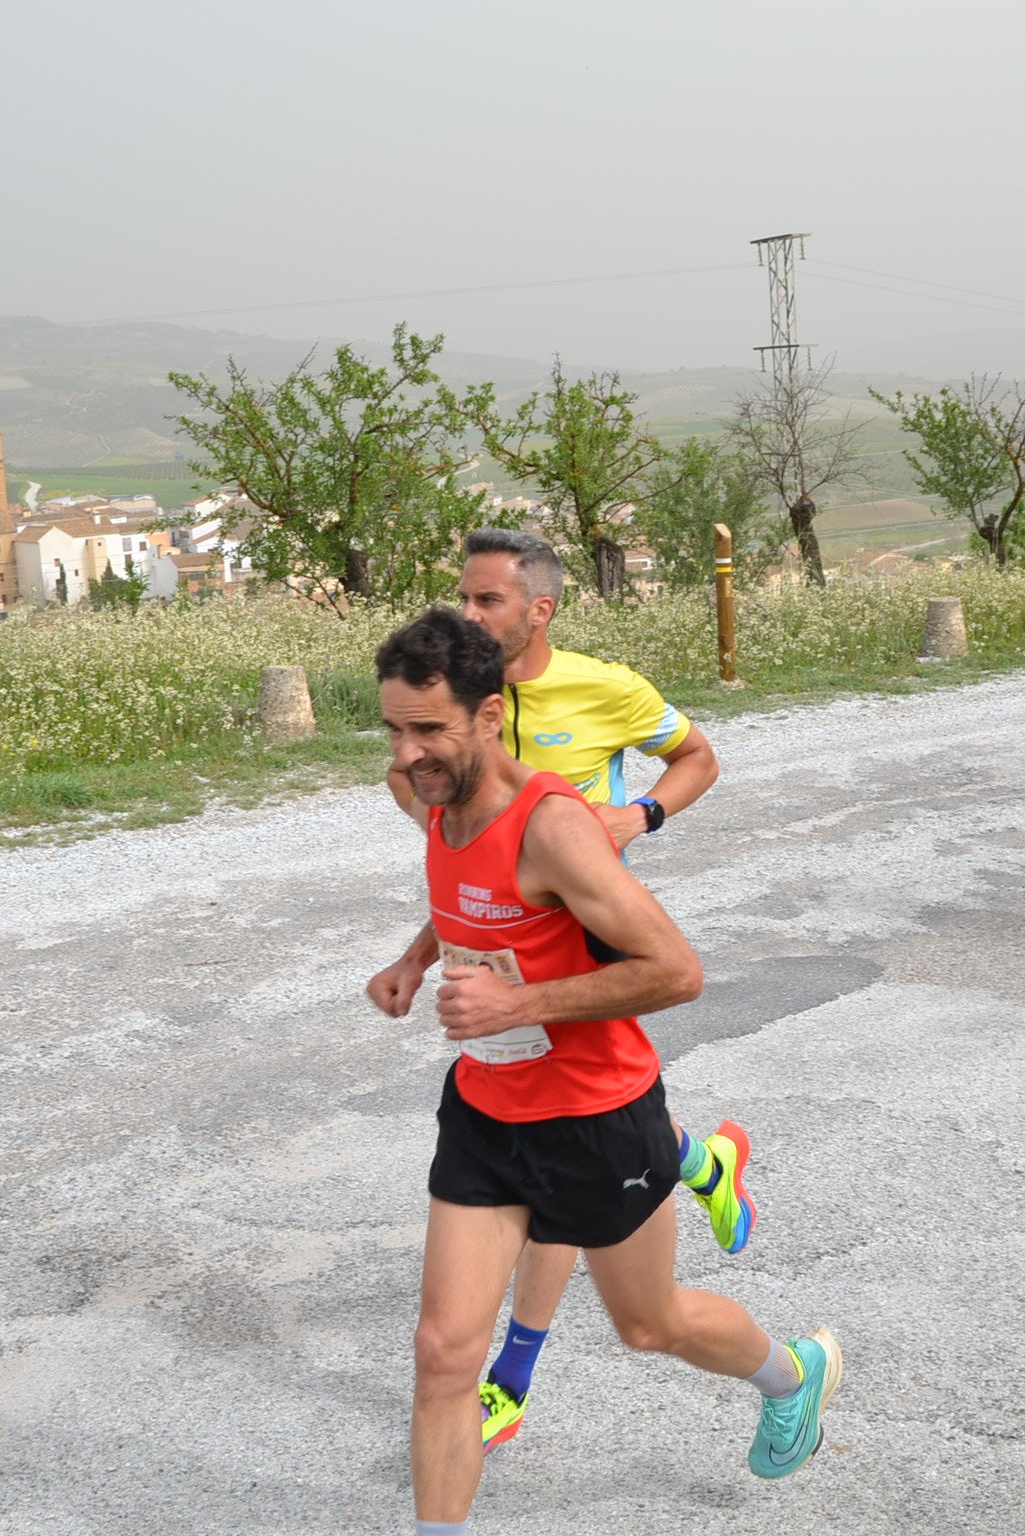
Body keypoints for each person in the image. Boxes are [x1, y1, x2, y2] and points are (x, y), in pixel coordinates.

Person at [366, 608, 841, 1533]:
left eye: (429, 730)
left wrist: (519, 1004)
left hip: (597, 1117)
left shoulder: (555, 829)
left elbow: (677, 971)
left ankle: (792, 1372)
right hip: (486, 1113)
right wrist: (417, 959)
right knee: (442, 1354)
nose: (407, 753)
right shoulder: (424, 795)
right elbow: (476, 902)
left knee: (648, 1325)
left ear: (488, 715)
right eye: (393, 728)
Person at [384, 527, 746, 1451]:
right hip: (517, 981)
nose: (468, 612)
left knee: (584, 1175)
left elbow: (699, 756)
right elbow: (469, 871)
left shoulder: (605, 687)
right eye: (462, 597)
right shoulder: (446, 711)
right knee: (547, 1166)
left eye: (488, 600)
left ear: (538, 609)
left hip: (595, 938)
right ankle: (693, 1165)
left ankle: (515, 1367)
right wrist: (423, 956)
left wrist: (640, 814)